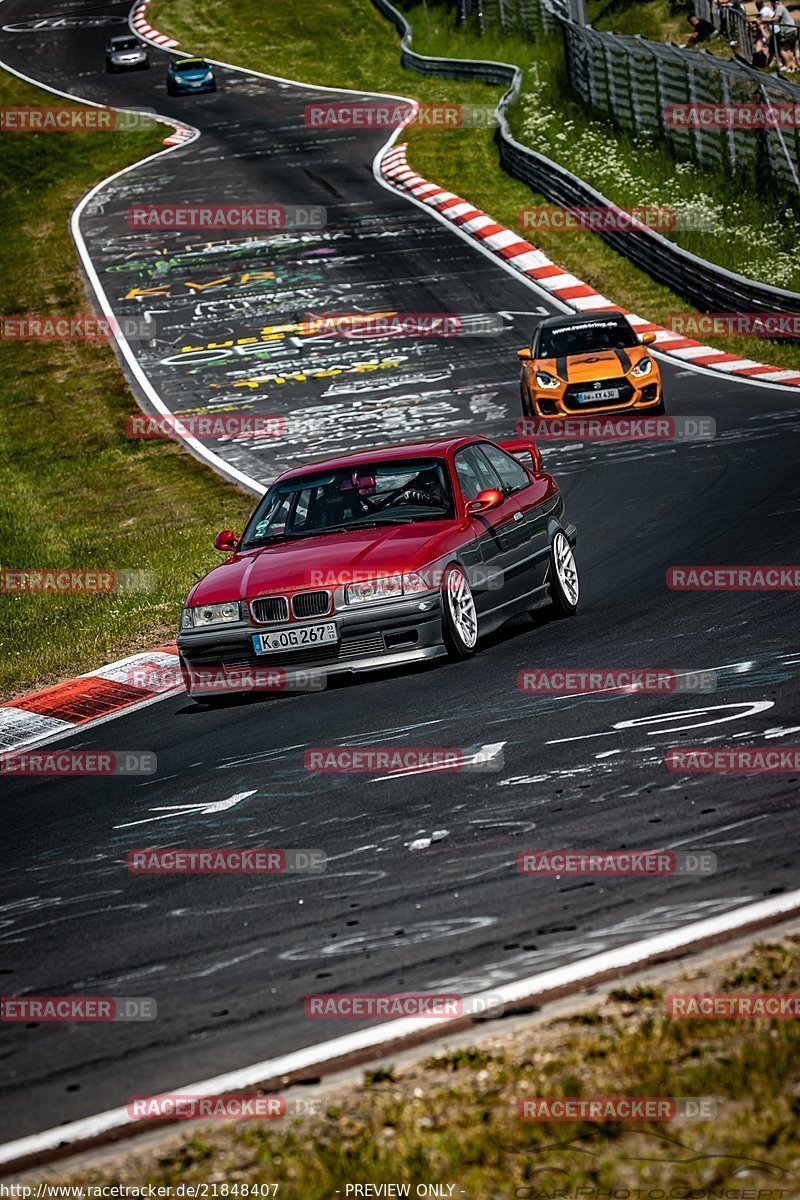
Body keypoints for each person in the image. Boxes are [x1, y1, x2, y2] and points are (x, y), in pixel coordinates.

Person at [760, 0, 800, 67]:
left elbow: (776, 19)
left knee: (782, 50)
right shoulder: (780, 7)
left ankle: (789, 66)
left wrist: (766, 20)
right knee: (789, 49)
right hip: (792, 30)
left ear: (773, 2)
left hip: (788, 31)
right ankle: (792, 66)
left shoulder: (779, 8)